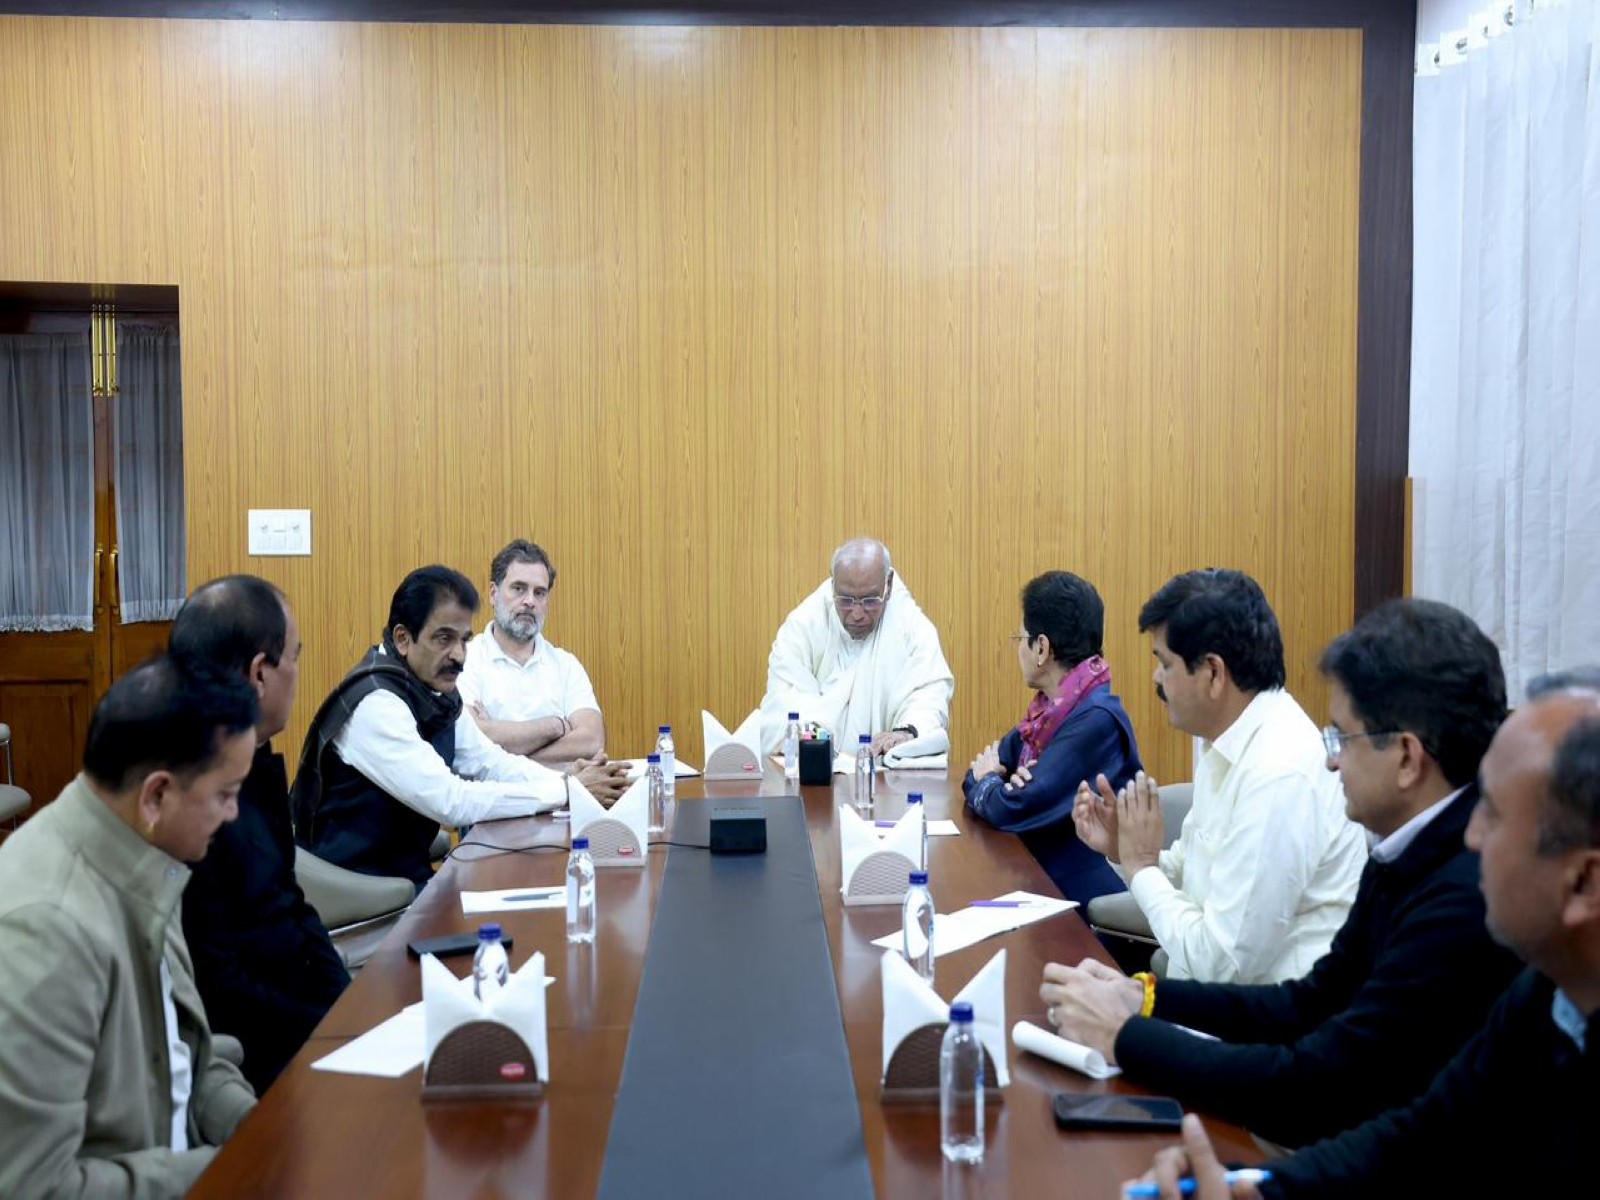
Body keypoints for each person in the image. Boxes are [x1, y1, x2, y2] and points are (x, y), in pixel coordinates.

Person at [1041, 598, 1522, 1148]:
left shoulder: (1462, 895)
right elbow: (1308, 1000)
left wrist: (1126, 1036)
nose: (1331, 760)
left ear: (1408, 758)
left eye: (1343, 737)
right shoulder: (1405, 849)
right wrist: (1143, 999)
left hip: (1331, 1124)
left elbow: (1316, 1081)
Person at [1128, 678, 1600, 1199]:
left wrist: (1128, 1031)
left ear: (1583, 881)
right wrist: (1253, 1189)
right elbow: (1422, 1135)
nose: (1473, 836)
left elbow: (1328, 1082)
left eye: (1495, 814)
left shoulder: (1459, 906)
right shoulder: (1545, 987)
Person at [0, 655, 260, 1196]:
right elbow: (36, 1189)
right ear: (156, 796)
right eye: (225, 795)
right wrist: (222, 1170)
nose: (233, 815)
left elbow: (190, 1056)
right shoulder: (48, 931)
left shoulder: (138, 857)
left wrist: (258, 1134)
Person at [1073, 569, 1366, 984]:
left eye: (1165, 662)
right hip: (1211, 1003)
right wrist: (1128, 850)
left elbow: (1220, 963)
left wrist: (1141, 868)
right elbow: (1195, 870)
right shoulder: (1228, 741)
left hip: (1265, 1030)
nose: (1156, 677)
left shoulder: (1277, 771)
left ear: (1212, 673)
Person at [292, 565, 625, 892]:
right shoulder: (376, 704)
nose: (459, 656)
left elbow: (488, 761)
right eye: (443, 639)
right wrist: (568, 792)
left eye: (464, 639)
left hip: (403, 875)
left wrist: (569, 783)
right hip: (362, 886)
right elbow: (451, 802)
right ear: (403, 639)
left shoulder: (432, 688)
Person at [172, 575, 350, 1094]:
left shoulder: (253, 762)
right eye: (294, 656)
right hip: (252, 1060)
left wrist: (349, 1007)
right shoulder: (189, 800)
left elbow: (290, 904)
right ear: (259, 674)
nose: (298, 670)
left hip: (301, 1022)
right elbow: (220, 984)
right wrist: (328, 1029)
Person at [963, 571, 1143, 905]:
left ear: (1042, 647)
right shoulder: (1047, 713)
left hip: (1086, 903)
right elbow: (976, 774)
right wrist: (991, 783)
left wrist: (990, 782)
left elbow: (1011, 807)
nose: (1019, 650)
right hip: (1043, 882)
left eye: (1021, 639)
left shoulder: (1095, 720)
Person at [758, 538, 954, 760]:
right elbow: (780, 705)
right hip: (814, 776)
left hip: (884, 779)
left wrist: (906, 732)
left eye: (870, 601)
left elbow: (929, 693)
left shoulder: (912, 627)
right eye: (845, 600)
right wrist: (815, 738)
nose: (857, 613)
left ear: (888, 585)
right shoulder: (804, 624)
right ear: (833, 586)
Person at [458, 540, 606, 767]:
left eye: (540, 593)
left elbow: (591, 741)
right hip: (495, 799)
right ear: (493, 593)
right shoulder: (465, 659)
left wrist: (502, 749)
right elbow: (468, 738)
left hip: (563, 799)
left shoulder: (565, 665)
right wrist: (556, 726)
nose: (529, 601)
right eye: (518, 589)